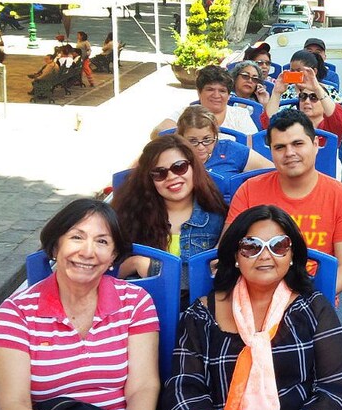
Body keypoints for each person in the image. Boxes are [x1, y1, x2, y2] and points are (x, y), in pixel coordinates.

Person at [161, 205, 342, 410]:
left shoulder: (314, 308)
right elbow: (184, 387)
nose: (265, 255)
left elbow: (334, 389)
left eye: (278, 245)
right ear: (235, 256)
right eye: (251, 247)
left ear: (292, 255)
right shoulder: (202, 314)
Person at [0, 199, 159, 410]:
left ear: (113, 256)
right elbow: (14, 407)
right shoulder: (17, 313)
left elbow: (143, 386)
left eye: (102, 241)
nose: (88, 252)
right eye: (76, 237)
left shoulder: (135, 302)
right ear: (55, 247)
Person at [226, 110, 342, 294]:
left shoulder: (341, 195)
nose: (289, 153)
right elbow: (227, 251)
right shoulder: (249, 191)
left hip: (313, 296)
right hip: (256, 296)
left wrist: (305, 302)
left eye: (298, 144)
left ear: (315, 145)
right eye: (280, 147)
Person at [112, 135, 228, 289]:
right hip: (143, 307)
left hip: (199, 307)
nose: (171, 177)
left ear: (193, 167)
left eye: (179, 167)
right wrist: (134, 263)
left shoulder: (217, 217)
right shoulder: (131, 215)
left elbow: (222, 274)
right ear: (150, 179)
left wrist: (153, 269)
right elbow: (106, 271)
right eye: (160, 173)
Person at [264, 50, 342, 151]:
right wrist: (276, 92)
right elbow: (269, 123)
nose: (307, 101)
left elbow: (339, 121)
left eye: (314, 97)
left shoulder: (330, 127)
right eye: (303, 96)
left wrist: (317, 89)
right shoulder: (289, 126)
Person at [154, 65, 259, 142]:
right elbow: (157, 132)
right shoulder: (187, 113)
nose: (216, 95)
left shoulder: (240, 115)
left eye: (222, 91)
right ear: (199, 92)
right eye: (210, 89)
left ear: (228, 95)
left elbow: (253, 145)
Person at [175, 105, 273, 178]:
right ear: (181, 139)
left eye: (207, 140)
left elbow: (273, 172)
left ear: (216, 136)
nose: (200, 147)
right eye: (192, 141)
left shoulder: (231, 150)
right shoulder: (173, 157)